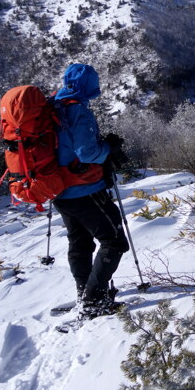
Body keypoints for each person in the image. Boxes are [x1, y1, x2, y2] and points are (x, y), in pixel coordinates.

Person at [52, 63, 128, 319]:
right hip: (84, 189)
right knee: (114, 241)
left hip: (59, 190)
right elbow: (88, 153)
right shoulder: (78, 112)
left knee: (80, 242)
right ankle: (94, 301)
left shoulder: (54, 106)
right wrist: (109, 148)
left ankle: (85, 293)